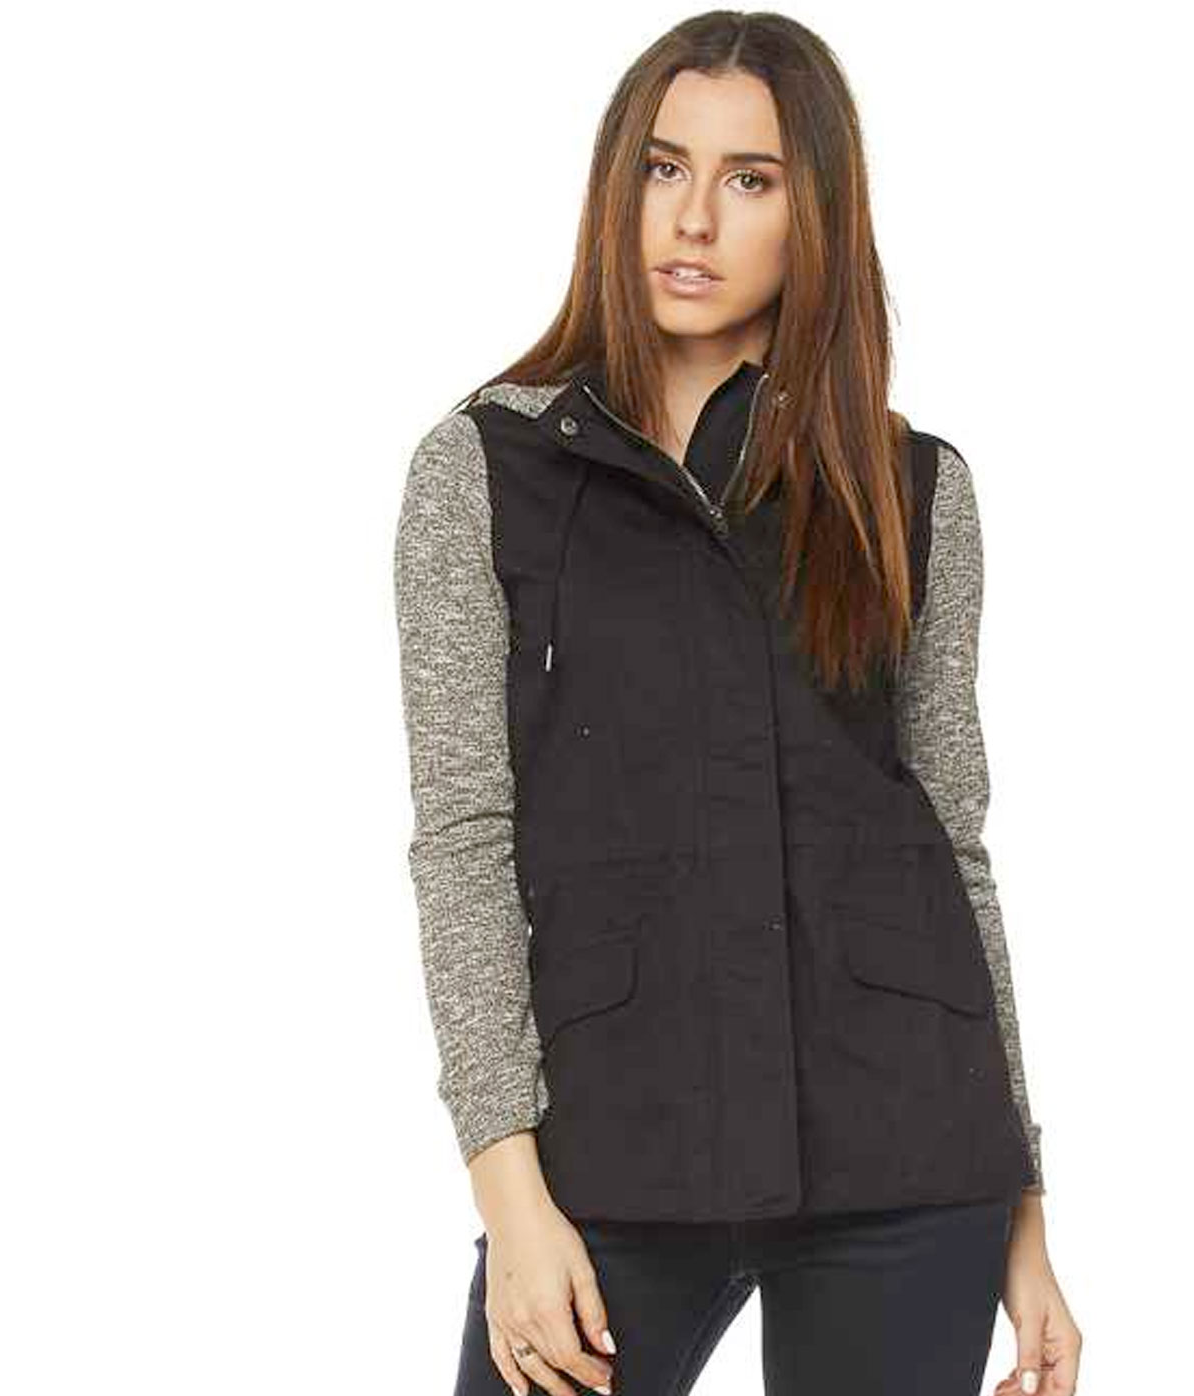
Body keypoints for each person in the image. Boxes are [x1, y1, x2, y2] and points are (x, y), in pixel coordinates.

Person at [393, 12, 1082, 1396]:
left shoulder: (913, 491)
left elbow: (952, 843)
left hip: (903, 1146)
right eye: (664, 168)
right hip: (612, 1146)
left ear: (813, 213)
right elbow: (464, 838)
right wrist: (510, 1200)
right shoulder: (484, 471)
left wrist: (1022, 1205)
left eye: (750, 179)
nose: (693, 218)